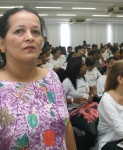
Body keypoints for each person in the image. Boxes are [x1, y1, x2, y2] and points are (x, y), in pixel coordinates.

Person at [0, 7, 76, 150]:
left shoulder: (52, 78)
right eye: (19, 31)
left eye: (36, 31)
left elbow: (66, 125)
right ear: (2, 44)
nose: (30, 37)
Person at [62, 56, 97, 150]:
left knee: (101, 123)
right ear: (75, 68)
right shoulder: (67, 82)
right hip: (73, 111)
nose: (85, 67)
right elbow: (59, 100)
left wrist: (91, 96)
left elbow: (89, 92)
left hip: (87, 108)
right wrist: (73, 100)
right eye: (82, 65)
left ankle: (93, 145)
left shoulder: (85, 78)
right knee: (90, 129)